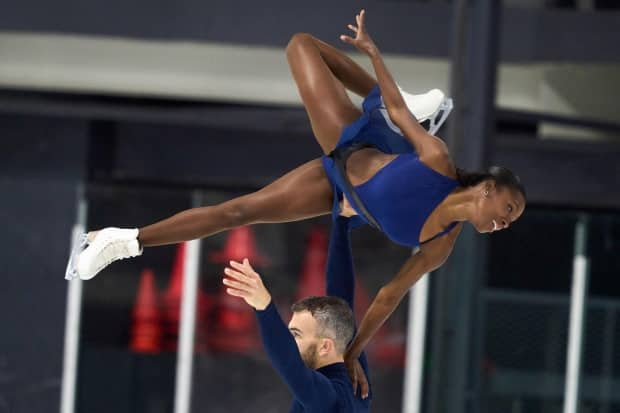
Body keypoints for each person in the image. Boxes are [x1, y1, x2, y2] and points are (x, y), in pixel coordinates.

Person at [67, 10, 526, 393]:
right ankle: (376, 99)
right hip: (355, 144)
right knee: (300, 44)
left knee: (239, 211)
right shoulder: (438, 160)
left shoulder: (443, 244)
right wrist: (373, 53)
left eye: (512, 221)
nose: (507, 223)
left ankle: (122, 240)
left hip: (341, 192)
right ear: (487, 189)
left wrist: (351, 352)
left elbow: (387, 296)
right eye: (508, 210)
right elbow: (404, 116)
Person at [223, 216, 370, 412]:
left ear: (325, 346)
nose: (290, 341)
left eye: (296, 335)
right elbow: (342, 295)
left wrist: (264, 307)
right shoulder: (355, 379)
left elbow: (289, 363)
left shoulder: (327, 397)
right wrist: (341, 223)